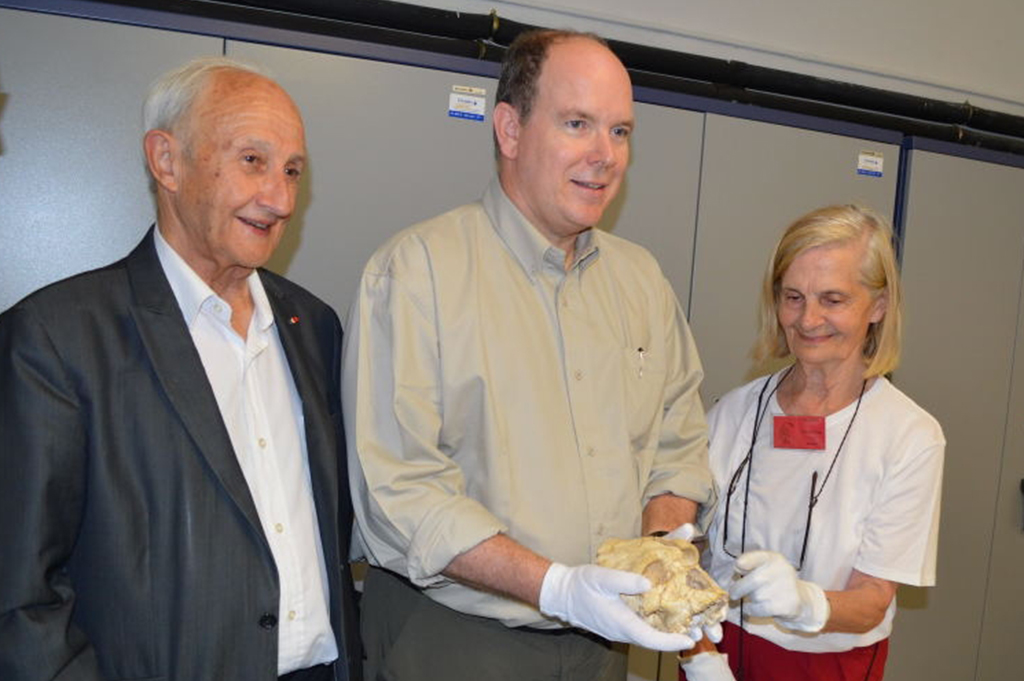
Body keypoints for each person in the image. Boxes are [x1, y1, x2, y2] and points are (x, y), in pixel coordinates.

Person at [343, 29, 716, 681]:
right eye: (577, 123)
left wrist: (657, 557)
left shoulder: (642, 283)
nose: (604, 156)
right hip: (457, 639)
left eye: (621, 131)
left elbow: (678, 445)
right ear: (509, 130)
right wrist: (556, 586)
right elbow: (399, 491)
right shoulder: (417, 274)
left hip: (603, 644)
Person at [0, 57, 361, 681]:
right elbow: (22, 595)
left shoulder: (314, 326)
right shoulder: (57, 338)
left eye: (292, 171)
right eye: (252, 161)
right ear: (166, 160)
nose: (277, 198)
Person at [679, 205, 945, 681]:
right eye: (794, 297)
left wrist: (805, 602)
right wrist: (698, 656)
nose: (808, 319)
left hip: (825, 662)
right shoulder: (734, 413)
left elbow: (871, 600)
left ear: (878, 306)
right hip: (717, 648)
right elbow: (682, 553)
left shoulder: (908, 437)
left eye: (834, 299)